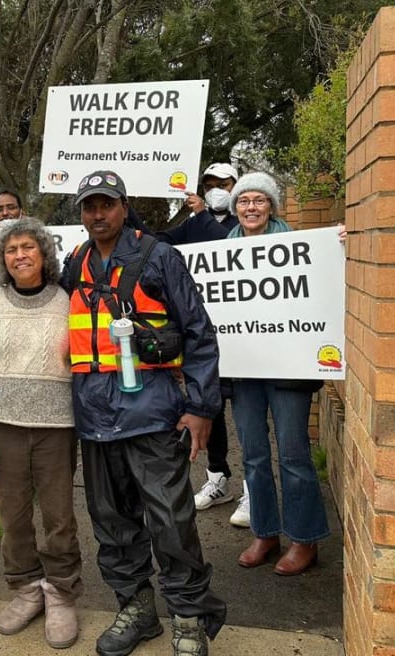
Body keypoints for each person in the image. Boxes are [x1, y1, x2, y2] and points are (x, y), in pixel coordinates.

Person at [59, 170, 225, 656]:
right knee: (111, 521)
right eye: (89, 206)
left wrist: (200, 407)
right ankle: (136, 607)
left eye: (106, 204)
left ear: (124, 206)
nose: (97, 214)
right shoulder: (75, 262)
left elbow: (199, 333)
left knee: (170, 520)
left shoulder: (160, 257)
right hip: (94, 416)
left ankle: (190, 615)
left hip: (152, 410)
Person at [0, 218, 82, 649]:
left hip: (57, 428)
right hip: (1, 426)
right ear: (1, 259)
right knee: (12, 517)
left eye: (28, 247)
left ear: (44, 253)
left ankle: (61, 592)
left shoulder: (69, 302)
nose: (20, 255)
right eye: (11, 250)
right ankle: (27, 588)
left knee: (59, 518)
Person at [225, 172, 330, 576]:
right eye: (243, 201)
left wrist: (336, 246)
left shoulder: (300, 247)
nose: (251, 207)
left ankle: (304, 540)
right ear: (235, 208)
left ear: (272, 206)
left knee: (293, 454)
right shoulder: (223, 252)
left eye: (259, 200)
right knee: (253, 454)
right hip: (245, 368)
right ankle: (265, 532)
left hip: (288, 369)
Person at [158, 163, 245, 523]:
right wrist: (126, 204)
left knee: (248, 413)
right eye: (208, 185)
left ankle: (253, 490)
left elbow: (228, 248)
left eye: (222, 184)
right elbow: (157, 240)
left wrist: (200, 212)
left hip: (251, 336)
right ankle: (218, 477)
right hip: (209, 333)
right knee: (213, 406)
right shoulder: (196, 221)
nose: (214, 190)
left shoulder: (244, 222)